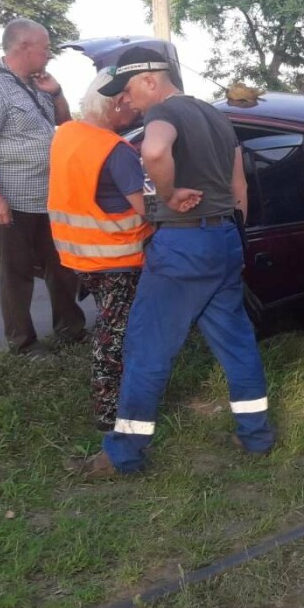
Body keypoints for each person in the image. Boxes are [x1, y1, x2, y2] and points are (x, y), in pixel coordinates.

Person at [71, 46, 274, 478]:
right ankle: (255, 435)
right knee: (237, 344)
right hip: (223, 239)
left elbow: (155, 153)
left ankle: (123, 454)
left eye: (127, 91)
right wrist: (230, 234)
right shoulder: (218, 118)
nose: (126, 102)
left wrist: (167, 196)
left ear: (150, 79)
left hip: (182, 245)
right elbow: (239, 186)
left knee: (146, 351)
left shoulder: (164, 113)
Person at [0, 18, 86, 359]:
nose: (48, 54)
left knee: (62, 267)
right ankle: (24, 344)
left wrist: (57, 91)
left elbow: (64, 123)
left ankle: (70, 330)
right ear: (23, 47)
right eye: (45, 47)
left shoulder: (35, 84)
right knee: (16, 275)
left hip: (47, 197)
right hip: (13, 200)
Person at [47, 72, 152, 431]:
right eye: (131, 104)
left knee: (109, 326)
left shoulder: (66, 135)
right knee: (114, 335)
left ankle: (113, 404)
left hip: (79, 256)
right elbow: (146, 208)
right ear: (117, 103)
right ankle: (111, 415)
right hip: (118, 259)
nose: (136, 112)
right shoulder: (116, 150)